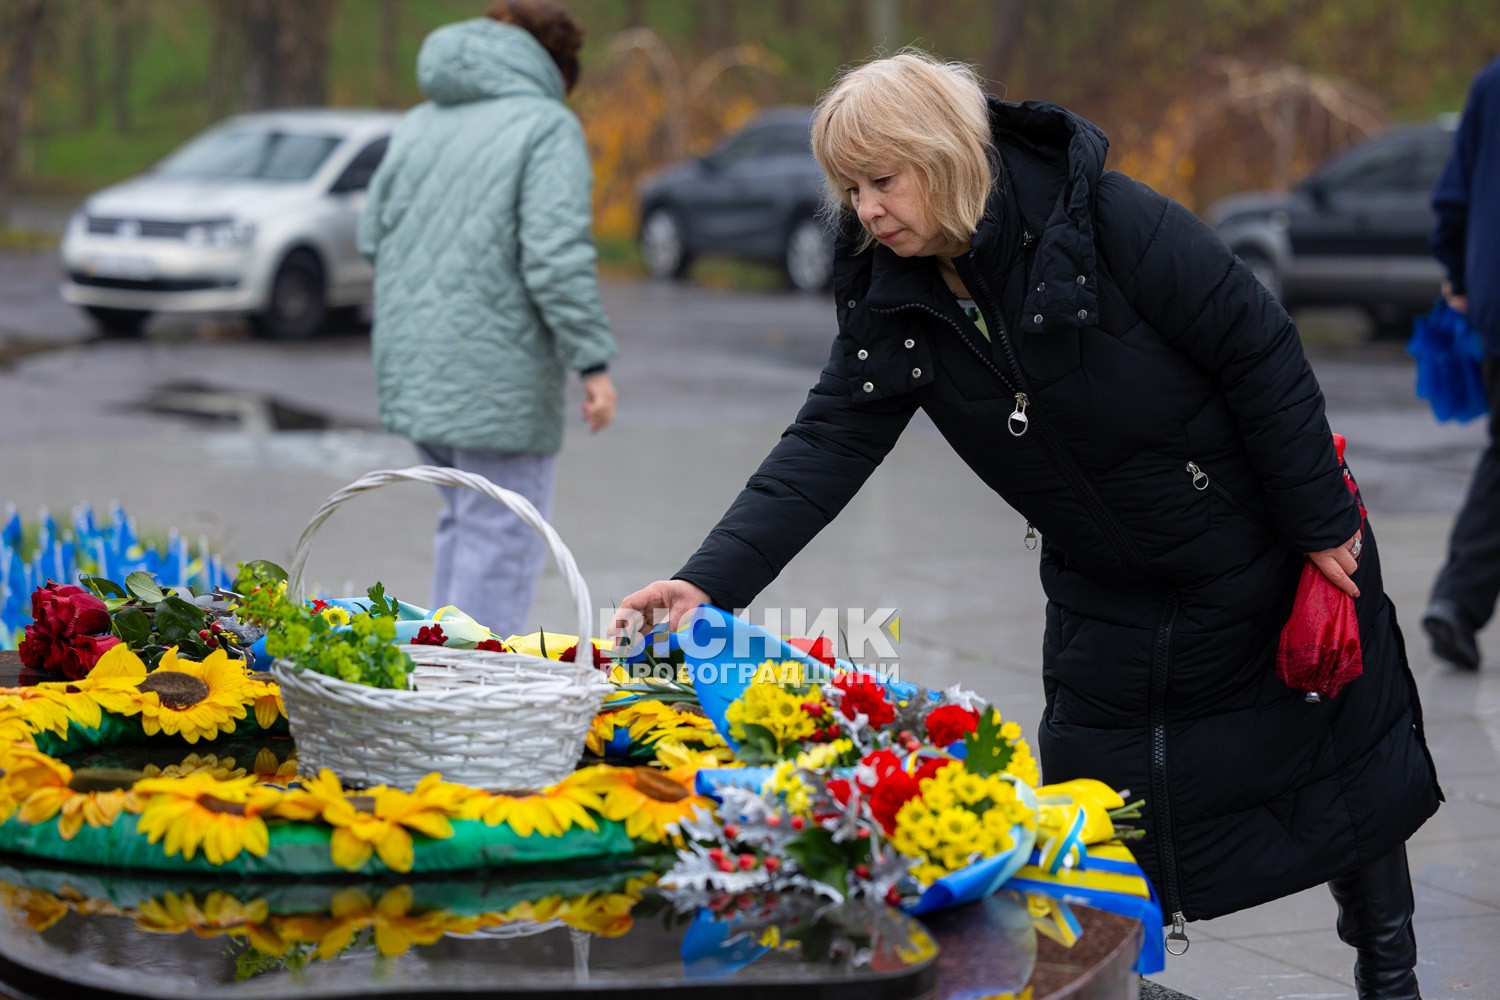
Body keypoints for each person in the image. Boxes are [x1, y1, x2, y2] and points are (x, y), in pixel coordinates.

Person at [615, 52, 1441, 999]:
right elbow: (828, 439)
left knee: (1342, 776)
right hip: (1104, 591)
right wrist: (708, 581)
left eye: (882, 181)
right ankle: (1112, 984)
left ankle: (1392, 976)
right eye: (850, 190)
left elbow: (1257, 345)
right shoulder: (896, 292)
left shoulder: (1107, 219)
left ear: (941, 153)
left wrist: (1319, 521)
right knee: (1094, 821)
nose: (867, 210)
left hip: (1253, 553)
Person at [359, 1, 617, 639]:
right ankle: (471, 686)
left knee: (464, 519)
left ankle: (432, 666)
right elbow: (555, 258)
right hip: (496, 376)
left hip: (413, 367)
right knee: (501, 534)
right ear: (554, 65)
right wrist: (592, 364)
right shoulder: (545, 126)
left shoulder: (419, 122)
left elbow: (370, 236)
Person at [1423, 56, 1500, 673]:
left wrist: (1460, 273)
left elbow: (1452, 196)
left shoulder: (1491, 83)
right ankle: (1457, 599)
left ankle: (1457, 599)